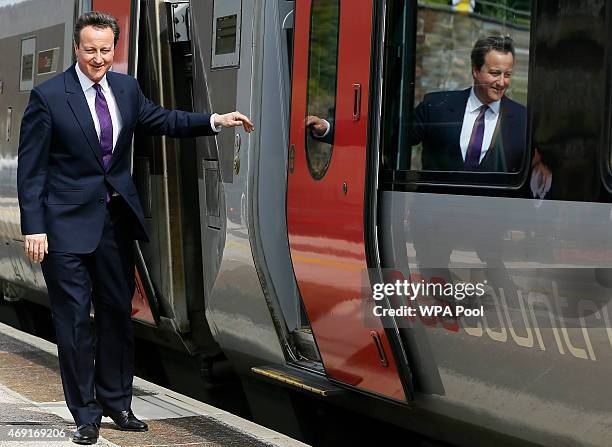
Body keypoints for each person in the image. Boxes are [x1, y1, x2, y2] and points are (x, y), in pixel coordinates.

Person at [17, 12, 253, 445]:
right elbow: (31, 171)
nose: (98, 58)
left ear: (115, 48)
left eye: (106, 50)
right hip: (64, 228)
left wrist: (215, 121)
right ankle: (85, 415)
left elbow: (161, 120)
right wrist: (34, 227)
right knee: (74, 323)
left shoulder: (126, 89)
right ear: (76, 48)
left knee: (116, 317)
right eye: (90, 50)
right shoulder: (49, 97)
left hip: (115, 223)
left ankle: (117, 403)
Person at [409, 35, 527, 172]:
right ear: (475, 71)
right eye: (495, 73)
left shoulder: (523, 119)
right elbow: (393, 143)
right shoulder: (436, 107)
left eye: (507, 75)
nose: (502, 82)